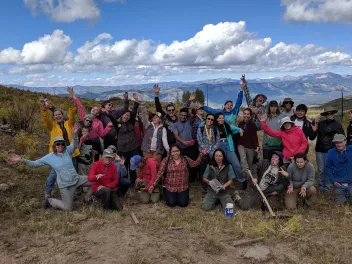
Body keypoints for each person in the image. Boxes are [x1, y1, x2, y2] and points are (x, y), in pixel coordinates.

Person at [8, 124, 92, 211]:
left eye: (62, 144)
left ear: (64, 145)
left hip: (77, 179)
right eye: (58, 144)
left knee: (97, 180)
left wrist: (75, 134)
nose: (60, 146)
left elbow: (74, 144)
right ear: (55, 145)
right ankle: (49, 200)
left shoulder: (67, 151)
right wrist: (21, 160)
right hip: (66, 186)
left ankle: (87, 198)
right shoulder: (49, 157)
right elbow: (33, 164)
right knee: (68, 208)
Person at [39, 95, 79, 206]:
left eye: (59, 114)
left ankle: (71, 194)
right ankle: (47, 194)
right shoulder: (52, 126)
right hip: (58, 156)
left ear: (62, 115)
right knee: (53, 175)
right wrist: (43, 106)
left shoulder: (69, 124)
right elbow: (45, 118)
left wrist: (71, 103)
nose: (57, 116)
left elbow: (72, 114)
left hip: (71, 154)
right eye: (55, 115)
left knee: (72, 174)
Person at [314, 107, 345, 193]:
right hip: (319, 150)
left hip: (330, 151)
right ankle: (320, 187)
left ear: (333, 114)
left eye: (331, 113)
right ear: (325, 115)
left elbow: (342, 137)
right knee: (320, 170)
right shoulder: (320, 124)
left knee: (328, 169)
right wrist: (315, 125)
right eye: (328, 113)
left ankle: (327, 188)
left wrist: (339, 148)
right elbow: (313, 136)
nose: (329, 115)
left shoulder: (337, 125)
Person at [114, 94, 140, 185]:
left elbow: (134, 111)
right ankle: (126, 183)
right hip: (122, 149)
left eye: (128, 115)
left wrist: (136, 101)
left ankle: (133, 182)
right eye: (125, 114)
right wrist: (126, 99)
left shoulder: (131, 122)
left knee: (133, 165)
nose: (126, 116)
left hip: (133, 148)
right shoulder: (117, 124)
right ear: (122, 115)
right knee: (123, 165)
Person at [171, 106, 199, 179]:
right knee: (181, 164)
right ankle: (181, 177)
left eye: (184, 115)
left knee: (192, 163)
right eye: (181, 115)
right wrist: (183, 142)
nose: (183, 117)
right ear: (179, 115)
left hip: (190, 147)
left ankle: (192, 178)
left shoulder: (189, 121)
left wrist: (193, 107)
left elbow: (192, 114)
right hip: (180, 148)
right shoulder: (175, 125)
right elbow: (176, 136)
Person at [213, 113, 242, 179]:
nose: (221, 119)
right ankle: (219, 179)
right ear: (216, 119)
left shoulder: (226, 126)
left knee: (236, 163)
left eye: (223, 118)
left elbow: (237, 129)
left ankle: (242, 179)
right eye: (220, 118)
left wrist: (240, 130)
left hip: (228, 145)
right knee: (220, 163)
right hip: (218, 146)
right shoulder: (214, 127)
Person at [326, 134, 352, 204]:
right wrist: (333, 181)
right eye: (336, 142)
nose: (339, 144)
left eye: (340, 142)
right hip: (339, 184)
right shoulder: (331, 152)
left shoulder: (351, 149)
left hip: (351, 182)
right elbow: (328, 168)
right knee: (340, 204)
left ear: (345, 142)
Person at [197, 114, 220, 184]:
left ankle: (213, 181)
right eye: (208, 118)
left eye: (212, 119)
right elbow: (199, 141)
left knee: (212, 166)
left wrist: (212, 151)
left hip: (213, 151)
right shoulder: (201, 128)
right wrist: (205, 150)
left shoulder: (215, 129)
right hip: (203, 151)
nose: (210, 120)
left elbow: (218, 141)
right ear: (206, 119)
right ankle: (203, 182)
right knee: (203, 167)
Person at [238, 108, 259, 173]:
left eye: (248, 114)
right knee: (243, 158)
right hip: (241, 144)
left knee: (250, 162)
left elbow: (254, 136)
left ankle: (248, 178)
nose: (246, 115)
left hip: (250, 146)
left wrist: (257, 146)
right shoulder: (240, 124)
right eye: (245, 114)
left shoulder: (253, 125)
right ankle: (245, 173)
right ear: (243, 115)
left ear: (250, 115)